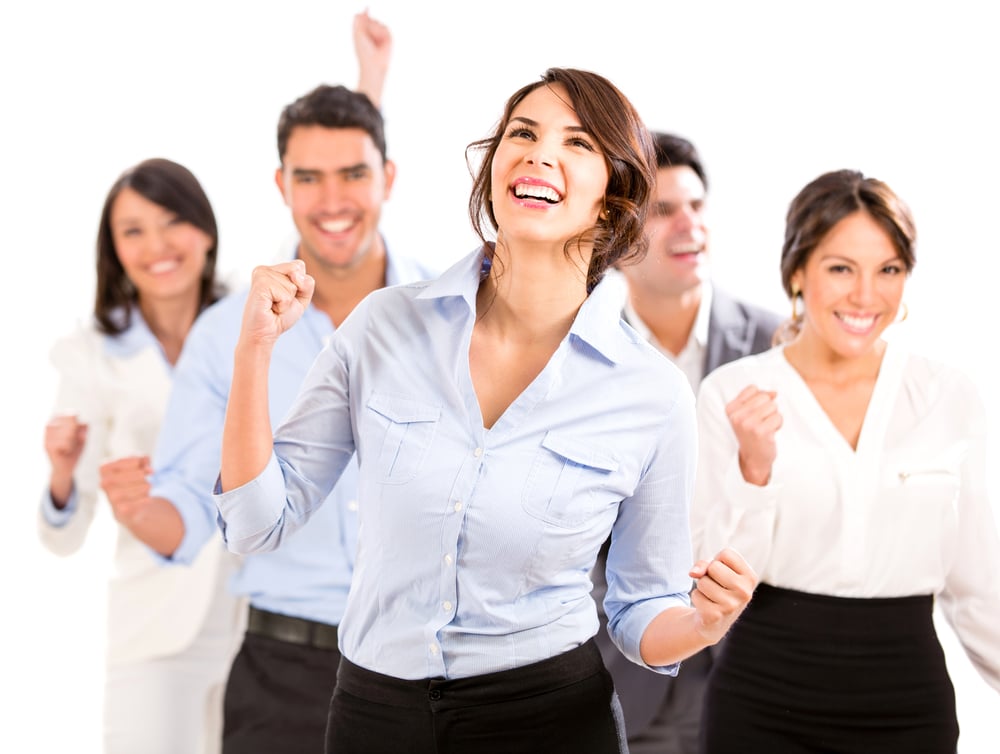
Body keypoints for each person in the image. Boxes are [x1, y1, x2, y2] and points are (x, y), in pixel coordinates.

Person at [215, 67, 757, 754]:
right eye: (522, 133)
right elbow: (256, 522)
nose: (538, 153)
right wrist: (254, 350)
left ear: (615, 196)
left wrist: (702, 624)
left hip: (551, 723)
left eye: (578, 143)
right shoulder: (383, 327)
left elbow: (640, 607)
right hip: (375, 718)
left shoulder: (650, 393)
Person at [104, 12, 437, 754]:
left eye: (354, 174)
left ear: (388, 178)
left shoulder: (447, 314)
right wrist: (136, 509)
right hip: (283, 676)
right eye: (308, 178)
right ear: (280, 185)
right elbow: (191, 512)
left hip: (428, 673)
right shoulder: (226, 333)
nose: (332, 200)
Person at [691, 168, 1000, 752]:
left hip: (907, 700)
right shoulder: (733, 394)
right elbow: (707, 586)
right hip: (764, 697)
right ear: (797, 272)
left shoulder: (947, 395)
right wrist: (754, 472)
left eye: (889, 270)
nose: (866, 296)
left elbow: (978, 585)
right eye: (841, 268)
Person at [37, 157, 244, 754]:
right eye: (132, 230)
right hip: (155, 629)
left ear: (205, 230)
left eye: (172, 220)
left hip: (260, 624)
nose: (156, 245)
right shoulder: (92, 356)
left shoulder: (254, 325)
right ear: (114, 250)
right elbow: (63, 536)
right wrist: (60, 474)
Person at [590, 132, 782, 754]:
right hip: (626, 669)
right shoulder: (583, 357)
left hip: (753, 664)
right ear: (619, 241)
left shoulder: (774, 346)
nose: (688, 225)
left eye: (696, 206)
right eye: (664, 211)